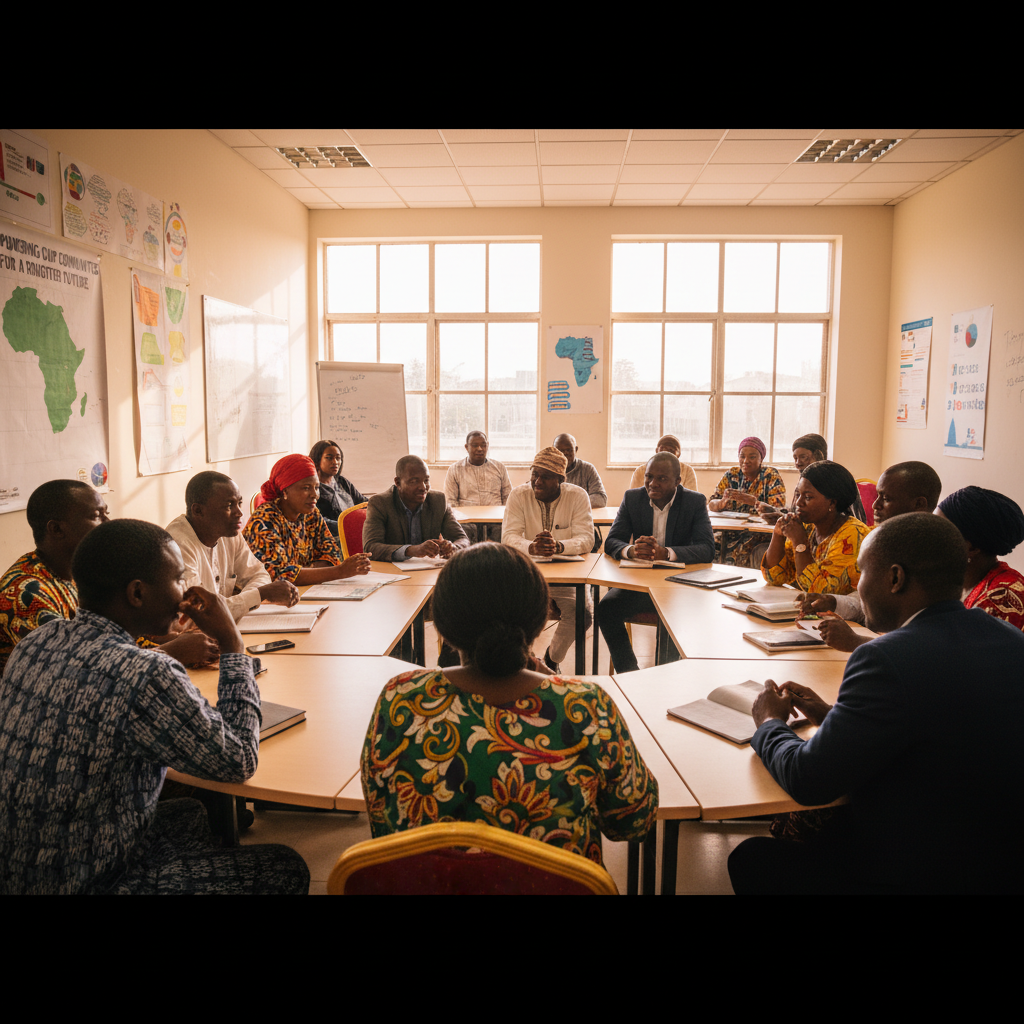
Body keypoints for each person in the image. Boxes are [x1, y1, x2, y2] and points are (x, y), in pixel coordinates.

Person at [0, 519, 309, 894]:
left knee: (191, 815)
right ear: (137, 594)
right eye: (178, 579)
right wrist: (232, 643)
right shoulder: (144, 671)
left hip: (21, 866)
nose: (184, 593)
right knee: (283, 866)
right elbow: (239, 760)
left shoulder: (37, 642)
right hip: (87, 880)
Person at [729, 513, 1024, 894]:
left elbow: (809, 780)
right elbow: (932, 728)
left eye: (862, 574)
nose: (858, 586)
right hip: (996, 858)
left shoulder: (886, 658)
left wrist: (769, 722)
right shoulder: (1006, 637)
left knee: (751, 858)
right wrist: (832, 716)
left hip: (917, 866)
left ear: (895, 578)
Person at [360, 543, 659, 866]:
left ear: (443, 629)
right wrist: (556, 686)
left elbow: (382, 821)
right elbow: (633, 822)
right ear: (539, 619)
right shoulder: (583, 706)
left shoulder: (401, 699)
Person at [0, 480, 217, 673]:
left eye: (107, 513)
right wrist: (173, 651)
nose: (108, 523)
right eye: (97, 516)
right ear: (56, 529)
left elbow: (109, 634)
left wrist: (164, 638)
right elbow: (73, 670)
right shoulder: (24, 593)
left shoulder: (83, 571)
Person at [798, 461, 942, 650]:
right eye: (877, 496)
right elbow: (866, 600)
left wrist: (858, 642)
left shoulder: (933, 553)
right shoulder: (886, 539)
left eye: (886, 498)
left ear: (919, 504)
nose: (875, 505)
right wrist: (833, 602)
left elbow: (924, 644)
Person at [598, 452, 715, 673]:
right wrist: (632, 550)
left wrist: (666, 553)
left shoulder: (694, 502)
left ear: (677, 482)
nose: (653, 484)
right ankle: (630, 673)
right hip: (640, 585)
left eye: (662, 479)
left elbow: (707, 549)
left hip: (678, 587)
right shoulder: (633, 498)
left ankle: (666, 676)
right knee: (606, 608)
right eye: (649, 477)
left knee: (670, 616)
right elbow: (612, 541)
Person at [502, 446, 594, 672]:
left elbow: (587, 538)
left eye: (546, 477)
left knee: (583, 614)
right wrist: (531, 547)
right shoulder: (518, 495)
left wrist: (559, 546)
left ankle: (552, 660)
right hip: (526, 576)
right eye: (534, 474)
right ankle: (525, 661)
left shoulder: (578, 496)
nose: (537, 481)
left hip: (567, 577)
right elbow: (508, 536)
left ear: (561, 479)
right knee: (507, 613)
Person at [166, 471, 300, 622]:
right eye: (229, 506)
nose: (239, 513)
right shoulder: (177, 546)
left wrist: (248, 600)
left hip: (225, 627)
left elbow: (258, 574)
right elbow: (198, 614)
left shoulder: (229, 533)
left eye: (239, 504)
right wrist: (259, 595)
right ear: (198, 510)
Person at [243, 454, 370, 583]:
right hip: (267, 599)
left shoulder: (311, 514)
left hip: (305, 591)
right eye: (306, 488)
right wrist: (339, 571)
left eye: (316, 487)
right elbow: (280, 575)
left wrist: (305, 572)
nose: (315, 495)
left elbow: (331, 555)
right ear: (285, 491)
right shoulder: (265, 519)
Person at [762, 460, 869, 594]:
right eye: (797, 495)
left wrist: (801, 543)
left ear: (832, 503)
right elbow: (774, 577)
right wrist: (778, 534)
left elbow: (821, 590)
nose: (798, 503)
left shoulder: (853, 534)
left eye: (807, 497)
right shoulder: (808, 527)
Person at [937, 486, 1024, 631]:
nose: (926, 536)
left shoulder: (998, 601)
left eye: (937, 532)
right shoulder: (954, 580)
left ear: (971, 549)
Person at [363, 455, 469, 562]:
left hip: (427, 571)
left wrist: (454, 548)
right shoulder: (380, 503)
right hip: (392, 573)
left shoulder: (438, 501)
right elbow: (371, 547)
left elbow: (462, 539)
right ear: (398, 482)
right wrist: (411, 550)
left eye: (426, 480)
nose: (423, 487)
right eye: (414, 481)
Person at [709, 437, 786, 565]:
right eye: (742, 456)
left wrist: (755, 503)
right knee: (710, 545)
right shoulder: (731, 475)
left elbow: (778, 510)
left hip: (756, 532)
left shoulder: (771, 476)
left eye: (752, 457)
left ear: (761, 459)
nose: (745, 461)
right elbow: (711, 502)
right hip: (728, 529)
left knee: (740, 550)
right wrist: (720, 503)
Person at [761, 433, 867, 523]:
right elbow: (798, 512)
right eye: (795, 458)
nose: (798, 463)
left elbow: (823, 519)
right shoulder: (805, 481)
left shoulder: (834, 479)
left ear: (819, 455)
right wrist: (776, 512)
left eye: (803, 457)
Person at [443, 430, 512, 543]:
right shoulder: (455, 469)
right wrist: (460, 519)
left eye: (483, 445)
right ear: (466, 447)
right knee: (463, 535)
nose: (480, 449)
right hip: (466, 521)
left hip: (496, 520)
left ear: (487, 446)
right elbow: (450, 501)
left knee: (503, 533)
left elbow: (508, 498)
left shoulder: (499, 468)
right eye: (475, 445)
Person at [309, 439, 367, 538]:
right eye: (329, 458)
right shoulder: (312, 488)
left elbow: (363, 503)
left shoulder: (342, 482)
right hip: (333, 538)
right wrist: (349, 527)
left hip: (356, 531)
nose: (335, 462)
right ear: (318, 460)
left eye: (338, 458)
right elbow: (320, 521)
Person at [629, 434, 698, 492]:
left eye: (671, 450)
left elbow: (691, 500)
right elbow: (633, 499)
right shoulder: (641, 471)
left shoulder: (687, 471)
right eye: (662, 449)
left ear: (679, 454)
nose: (666, 453)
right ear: (656, 451)